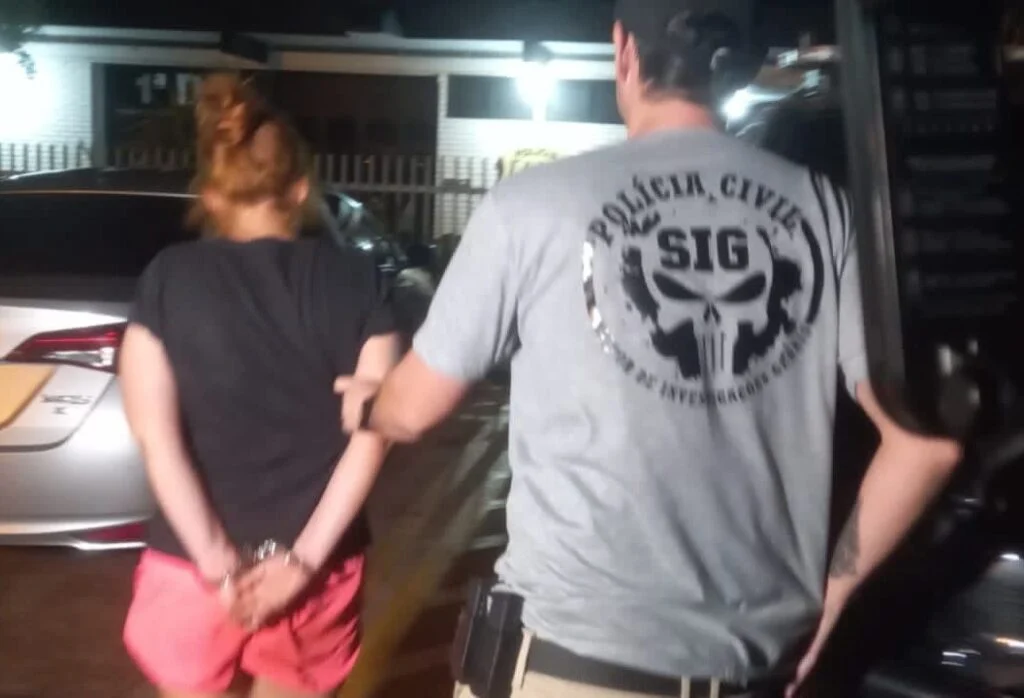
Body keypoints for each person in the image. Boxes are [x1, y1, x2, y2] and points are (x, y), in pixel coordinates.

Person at [337, 1, 962, 697]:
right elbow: (926, 445)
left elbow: (413, 410)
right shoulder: (825, 212)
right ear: (738, 66)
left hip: (568, 670)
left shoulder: (529, 205)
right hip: (758, 675)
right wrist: (837, 590)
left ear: (624, 51)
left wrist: (368, 405)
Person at [120, 73, 398, 698]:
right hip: (316, 568)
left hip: (189, 569)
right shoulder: (358, 281)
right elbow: (374, 432)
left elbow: (156, 439)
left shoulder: (166, 279)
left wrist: (216, 560)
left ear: (212, 196)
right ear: (299, 190)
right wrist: (301, 562)